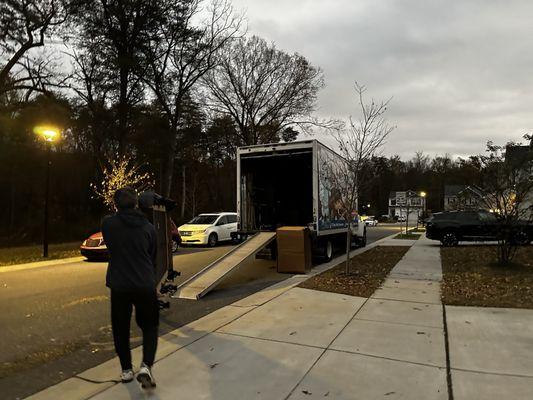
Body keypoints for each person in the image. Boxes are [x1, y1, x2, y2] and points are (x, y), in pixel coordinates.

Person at [101, 187, 159, 388]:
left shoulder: (108, 224)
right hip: (144, 283)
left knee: (120, 328)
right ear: (135, 203)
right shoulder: (148, 227)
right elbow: (152, 254)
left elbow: (111, 246)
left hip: (119, 285)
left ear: (116, 205)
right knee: (150, 326)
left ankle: (126, 369)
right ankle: (146, 366)